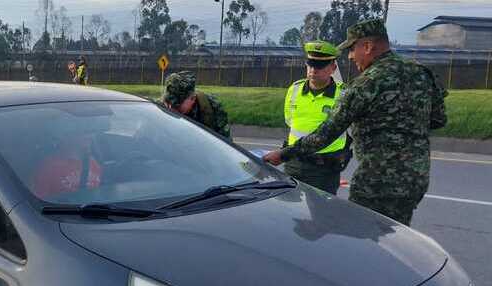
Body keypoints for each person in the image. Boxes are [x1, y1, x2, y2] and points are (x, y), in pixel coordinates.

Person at [263, 19, 447, 226]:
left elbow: (326, 133)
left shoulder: (366, 83)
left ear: (368, 47)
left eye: (352, 48)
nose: (350, 56)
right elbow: (439, 119)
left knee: (363, 241)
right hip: (416, 177)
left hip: (376, 181)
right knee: (397, 239)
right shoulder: (422, 73)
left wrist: (284, 154)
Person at [281, 40, 352, 195]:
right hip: (293, 163)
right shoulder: (294, 89)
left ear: (333, 67)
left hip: (324, 169)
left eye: (320, 66)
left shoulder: (344, 94)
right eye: (311, 64)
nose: (313, 70)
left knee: (321, 215)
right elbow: (289, 120)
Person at [160, 71, 231, 141]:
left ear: (192, 98)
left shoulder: (212, 108)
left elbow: (226, 145)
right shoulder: (158, 109)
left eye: (176, 105)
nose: (170, 108)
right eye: (168, 102)